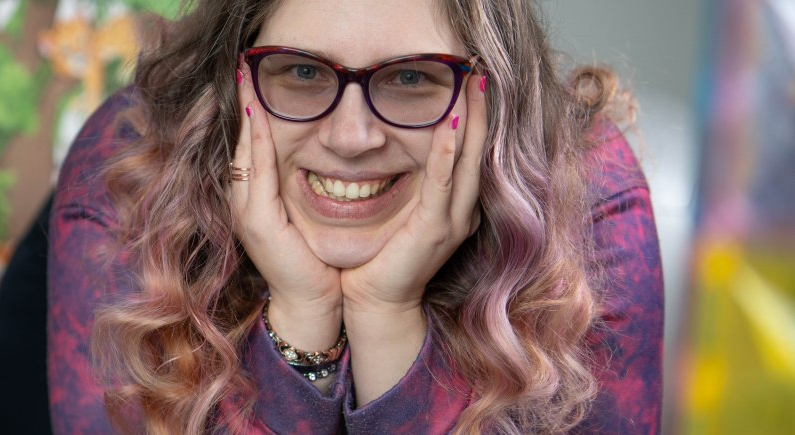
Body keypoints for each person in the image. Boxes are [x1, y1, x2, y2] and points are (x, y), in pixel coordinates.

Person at [42, 0, 663, 433]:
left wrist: (386, 318)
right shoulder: (130, 171)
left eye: (411, 77)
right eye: (303, 71)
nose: (352, 136)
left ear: (493, 96)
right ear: (232, 81)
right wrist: (302, 319)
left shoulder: (589, 194)